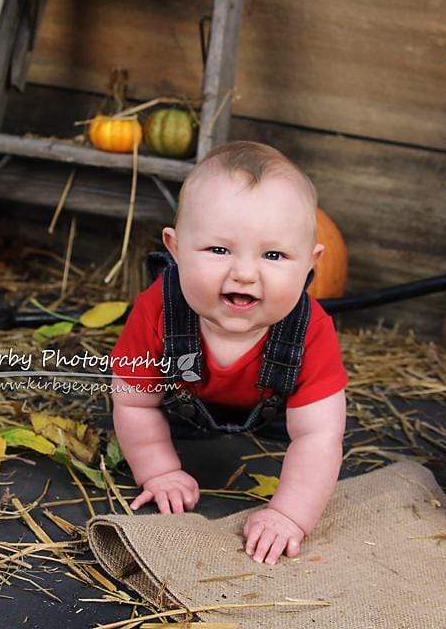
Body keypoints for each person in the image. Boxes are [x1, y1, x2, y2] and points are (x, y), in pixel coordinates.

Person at [108, 140, 349, 566]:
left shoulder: (311, 331)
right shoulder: (157, 310)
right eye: (219, 249)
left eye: (274, 255)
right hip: (178, 411)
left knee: (316, 428)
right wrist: (159, 470)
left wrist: (288, 514)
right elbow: (133, 400)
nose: (243, 272)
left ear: (310, 265)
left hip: (277, 419)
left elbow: (317, 436)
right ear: (175, 248)